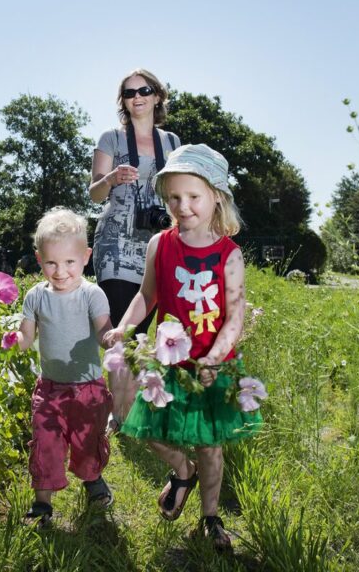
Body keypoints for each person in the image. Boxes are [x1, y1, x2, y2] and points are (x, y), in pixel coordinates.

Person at [103, 144, 262, 551]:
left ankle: (211, 516)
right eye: (174, 197)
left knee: (211, 446)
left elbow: (234, 317)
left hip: (211, 366)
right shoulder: (161, 243)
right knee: (148, 428)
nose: (183, 205)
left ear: (216, 198)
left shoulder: (229, 254)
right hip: (167, 361)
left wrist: (214, 357)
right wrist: (124, 327)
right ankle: (181, 470)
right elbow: (146, 296)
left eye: (194, 197)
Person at [2, 207, 114, 528]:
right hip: (49, 387)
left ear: (86, 257)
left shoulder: (92, 294)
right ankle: (42, 504)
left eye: (69, 262)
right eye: (51, 262)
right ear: (39, 260)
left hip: (88, 388)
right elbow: (26, 337)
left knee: (87, 441)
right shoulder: (36, 296)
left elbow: (104, 330)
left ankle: (92, 480)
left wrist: (113, 340)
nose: (60, 271)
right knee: (45, 441)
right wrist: (12, 340)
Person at [89, 69, 180, 432]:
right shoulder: (110, 138)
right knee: (120, 329)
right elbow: (94, 193)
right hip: (115, 244)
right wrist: (110, 179)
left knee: (143, 331)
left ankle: (135, 403)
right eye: (129, 93)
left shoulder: (171, 142)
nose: (137, 97)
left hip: (156, 242)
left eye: (144, 91)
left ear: (157, 96)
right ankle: (120, 416)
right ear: (123, 102)